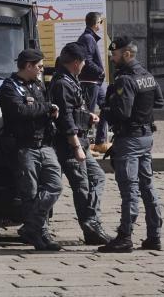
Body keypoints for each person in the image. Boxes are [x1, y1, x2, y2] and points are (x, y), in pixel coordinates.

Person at [98, 36, 164, 254]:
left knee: (129, 189)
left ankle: (125, 236)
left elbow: (122, 113)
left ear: (127, 54)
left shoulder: (126, 79)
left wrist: (105, 109)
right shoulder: (146, 75)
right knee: (148, 187)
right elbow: (159, 102)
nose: (112, 58)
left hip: (129, 139)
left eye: (114, 55)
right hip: (146, 137)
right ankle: (154, 235)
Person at [0, 48, 62, 251]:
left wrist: (49, 111)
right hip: (24, 146)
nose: (42, 70)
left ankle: (31, 226)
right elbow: (19, 111)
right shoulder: (10, 87)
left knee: (55, 186)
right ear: (28, 66)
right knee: (30, 193)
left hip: (44, 143)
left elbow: (38, 108)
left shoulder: (38, 85)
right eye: (39, 66)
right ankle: (40, 232)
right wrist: (46, 108)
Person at [50, 42, 113, 246]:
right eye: (84, 61)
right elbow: (65, 118)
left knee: (98, 178)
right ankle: (91, 228)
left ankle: (92, 223)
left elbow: (76, 110)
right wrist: (76, 146)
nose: (85, 64)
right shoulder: (61, 83)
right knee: (82, 187)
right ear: (76, 62)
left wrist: (88, 117)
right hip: (70, 145)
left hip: (82, 141)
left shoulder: (71, 79)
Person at [75, 12, 110, 154]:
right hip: (90, 81)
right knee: (87, 114)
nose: (101, 24)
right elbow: (87, 60)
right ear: (96, 24)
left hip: (95, 81)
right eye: (100, 22)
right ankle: (84, 145)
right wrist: (100, 71)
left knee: (107, 107)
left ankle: (100, 141)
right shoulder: (88, 38)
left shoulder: (89, 37)